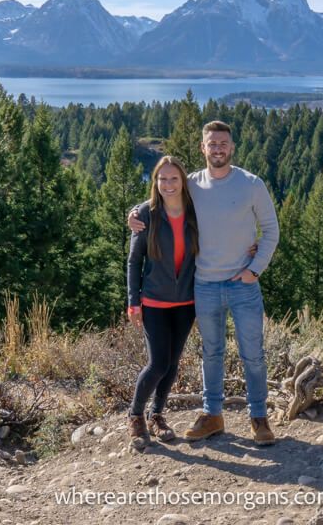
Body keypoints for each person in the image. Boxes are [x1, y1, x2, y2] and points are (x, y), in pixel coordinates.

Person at [129, 120, 280, 446]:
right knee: (211, 353)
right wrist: (133, 215)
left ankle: (259, 418)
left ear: (232, 147)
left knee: (252, 354)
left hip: (243, 284)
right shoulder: (192, 185)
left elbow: (271, 230)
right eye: (211, 144)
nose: (217, 149)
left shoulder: (251, 184)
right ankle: (212, 415)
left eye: (223, 143)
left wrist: (255, 269)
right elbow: (160, 198)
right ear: (203, 148)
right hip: (205, 286)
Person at [125, 155, 200, 450]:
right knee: (157, 363)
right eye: (162, 179)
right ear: (155, 182)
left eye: (174, 179)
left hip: (186, 301)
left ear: (183, 182)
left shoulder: (196, 211)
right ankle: (135, 415)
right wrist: (133, 302)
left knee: (172, 364)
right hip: (154, 301)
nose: (168, 184)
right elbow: (134, 262)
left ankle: (157, 414)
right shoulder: (146, 213)